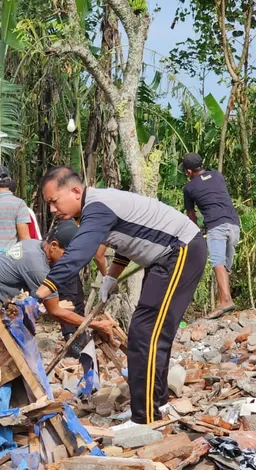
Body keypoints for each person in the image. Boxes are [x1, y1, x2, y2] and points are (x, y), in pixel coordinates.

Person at [35, 168, 206, 426]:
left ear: (75, 191)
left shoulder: (97, 207)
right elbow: (126, 241)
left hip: (179, 250)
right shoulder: (96, 207)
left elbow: (78, 254)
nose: (52, 210)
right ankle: (154, 405)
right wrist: (112, 276)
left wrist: (40, 293)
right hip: (165, 258)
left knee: (145, 334)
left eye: (53, 201)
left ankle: (145, 417)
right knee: (147, 333)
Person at [0, 219, 114, 335]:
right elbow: (55, 313)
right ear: (53, 245)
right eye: (67, 254)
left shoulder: (32, 245)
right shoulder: (37, 266)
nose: (70, 260)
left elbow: (34, 298)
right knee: (13, 347)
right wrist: (95, 324)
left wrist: (44, 307)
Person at [182, 152, 240, 319]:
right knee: (224, 266)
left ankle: (227, 300)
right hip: (234, 224)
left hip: (216, 226)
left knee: (217, 262)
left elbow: (192, 215)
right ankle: (222, 302)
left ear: (188, 172)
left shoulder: (189, 188)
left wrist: (195, 234)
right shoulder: (217, 175)